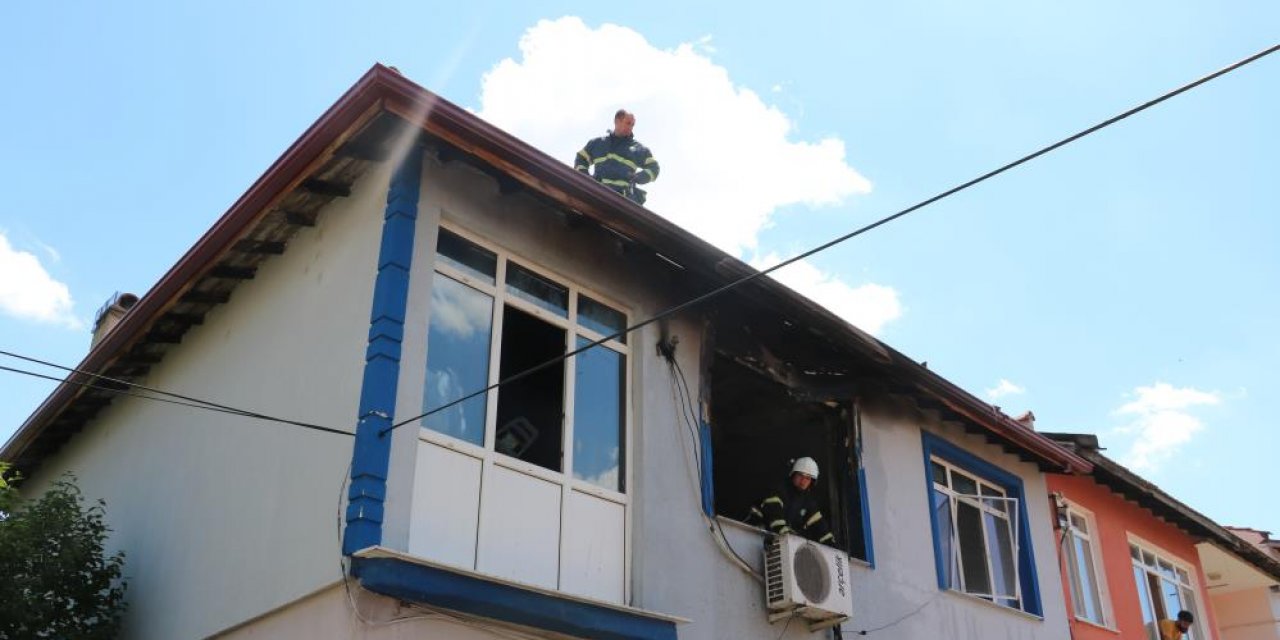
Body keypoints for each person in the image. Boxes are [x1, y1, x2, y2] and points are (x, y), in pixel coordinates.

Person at [574, 109, 660, 205]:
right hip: (597, 197)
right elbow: (581, 159)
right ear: (616, 121)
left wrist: (639, 177)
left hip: (623, 203)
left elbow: (654, 168)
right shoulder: (597, 144)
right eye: (628, 123)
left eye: (632, 125)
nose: (630, 127)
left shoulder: (638, 149)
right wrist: (585, 177)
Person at [747, 457, 836, 545]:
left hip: (777, 541)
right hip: (753, 534)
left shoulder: (807, 501)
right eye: (800, 475)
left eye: (808, 478)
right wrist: (786, 532)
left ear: (812, 482)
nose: (803, 481)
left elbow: (819, 526)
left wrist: (831, 544)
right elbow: (774, 515)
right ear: (793, 474)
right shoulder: (779, 489)